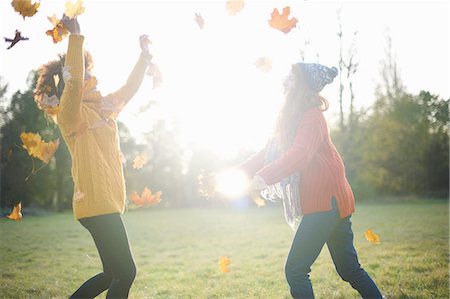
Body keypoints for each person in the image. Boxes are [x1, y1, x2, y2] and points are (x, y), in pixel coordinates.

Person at [34, 15, 154, 298]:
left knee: (112, 274)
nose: (91, 76)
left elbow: (129, 89)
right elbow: (73, 85)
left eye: (89, 70)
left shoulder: (104, 107)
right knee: (127, 273)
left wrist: (144, 58)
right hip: (96, 202)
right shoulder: (70, 114)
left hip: (105, 201)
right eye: (86, 72)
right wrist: (75, 39)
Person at [239, 62, 383, 298]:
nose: (286, 83)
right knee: (349, 269)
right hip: (332, 201)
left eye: (292, 79)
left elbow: (300, 154)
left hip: (327, 202)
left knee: (295, 270)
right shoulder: (290, 121)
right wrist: (230, 176)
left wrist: (262, 179)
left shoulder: (312, 117)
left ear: (303, 87)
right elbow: (266, 154)